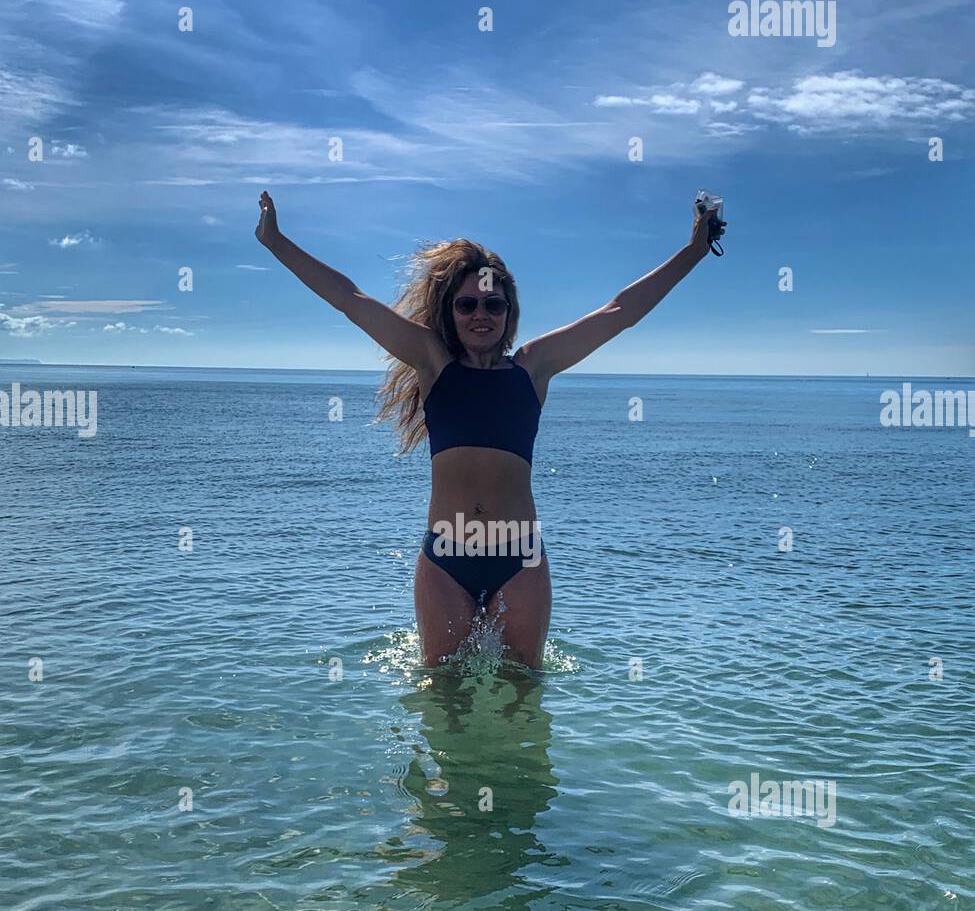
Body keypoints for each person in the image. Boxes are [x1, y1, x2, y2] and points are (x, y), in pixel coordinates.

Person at [256, 191, 719, 669]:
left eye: (493, 304)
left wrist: (694, 251)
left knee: (524, 695)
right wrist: (275, 242)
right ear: (450, 312)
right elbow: (349, 299)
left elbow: (618, 313)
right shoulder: (432, 362)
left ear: (509, 311)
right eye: (468, 304)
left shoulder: (534, 367)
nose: (481, 314)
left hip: (519, 559)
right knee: (443, 696)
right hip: (445, 559)